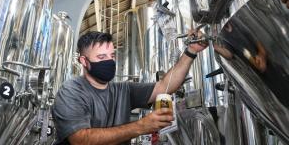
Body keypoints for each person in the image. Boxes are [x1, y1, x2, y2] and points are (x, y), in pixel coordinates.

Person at [52, 31, 207, 145]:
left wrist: (191, 51)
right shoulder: (71, 91)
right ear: (84, 61)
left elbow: (165, 86)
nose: (110, 62)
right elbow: (80, 140)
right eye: (101, 57)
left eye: (112, 56)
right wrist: (141, 126)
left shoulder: (123, 90)